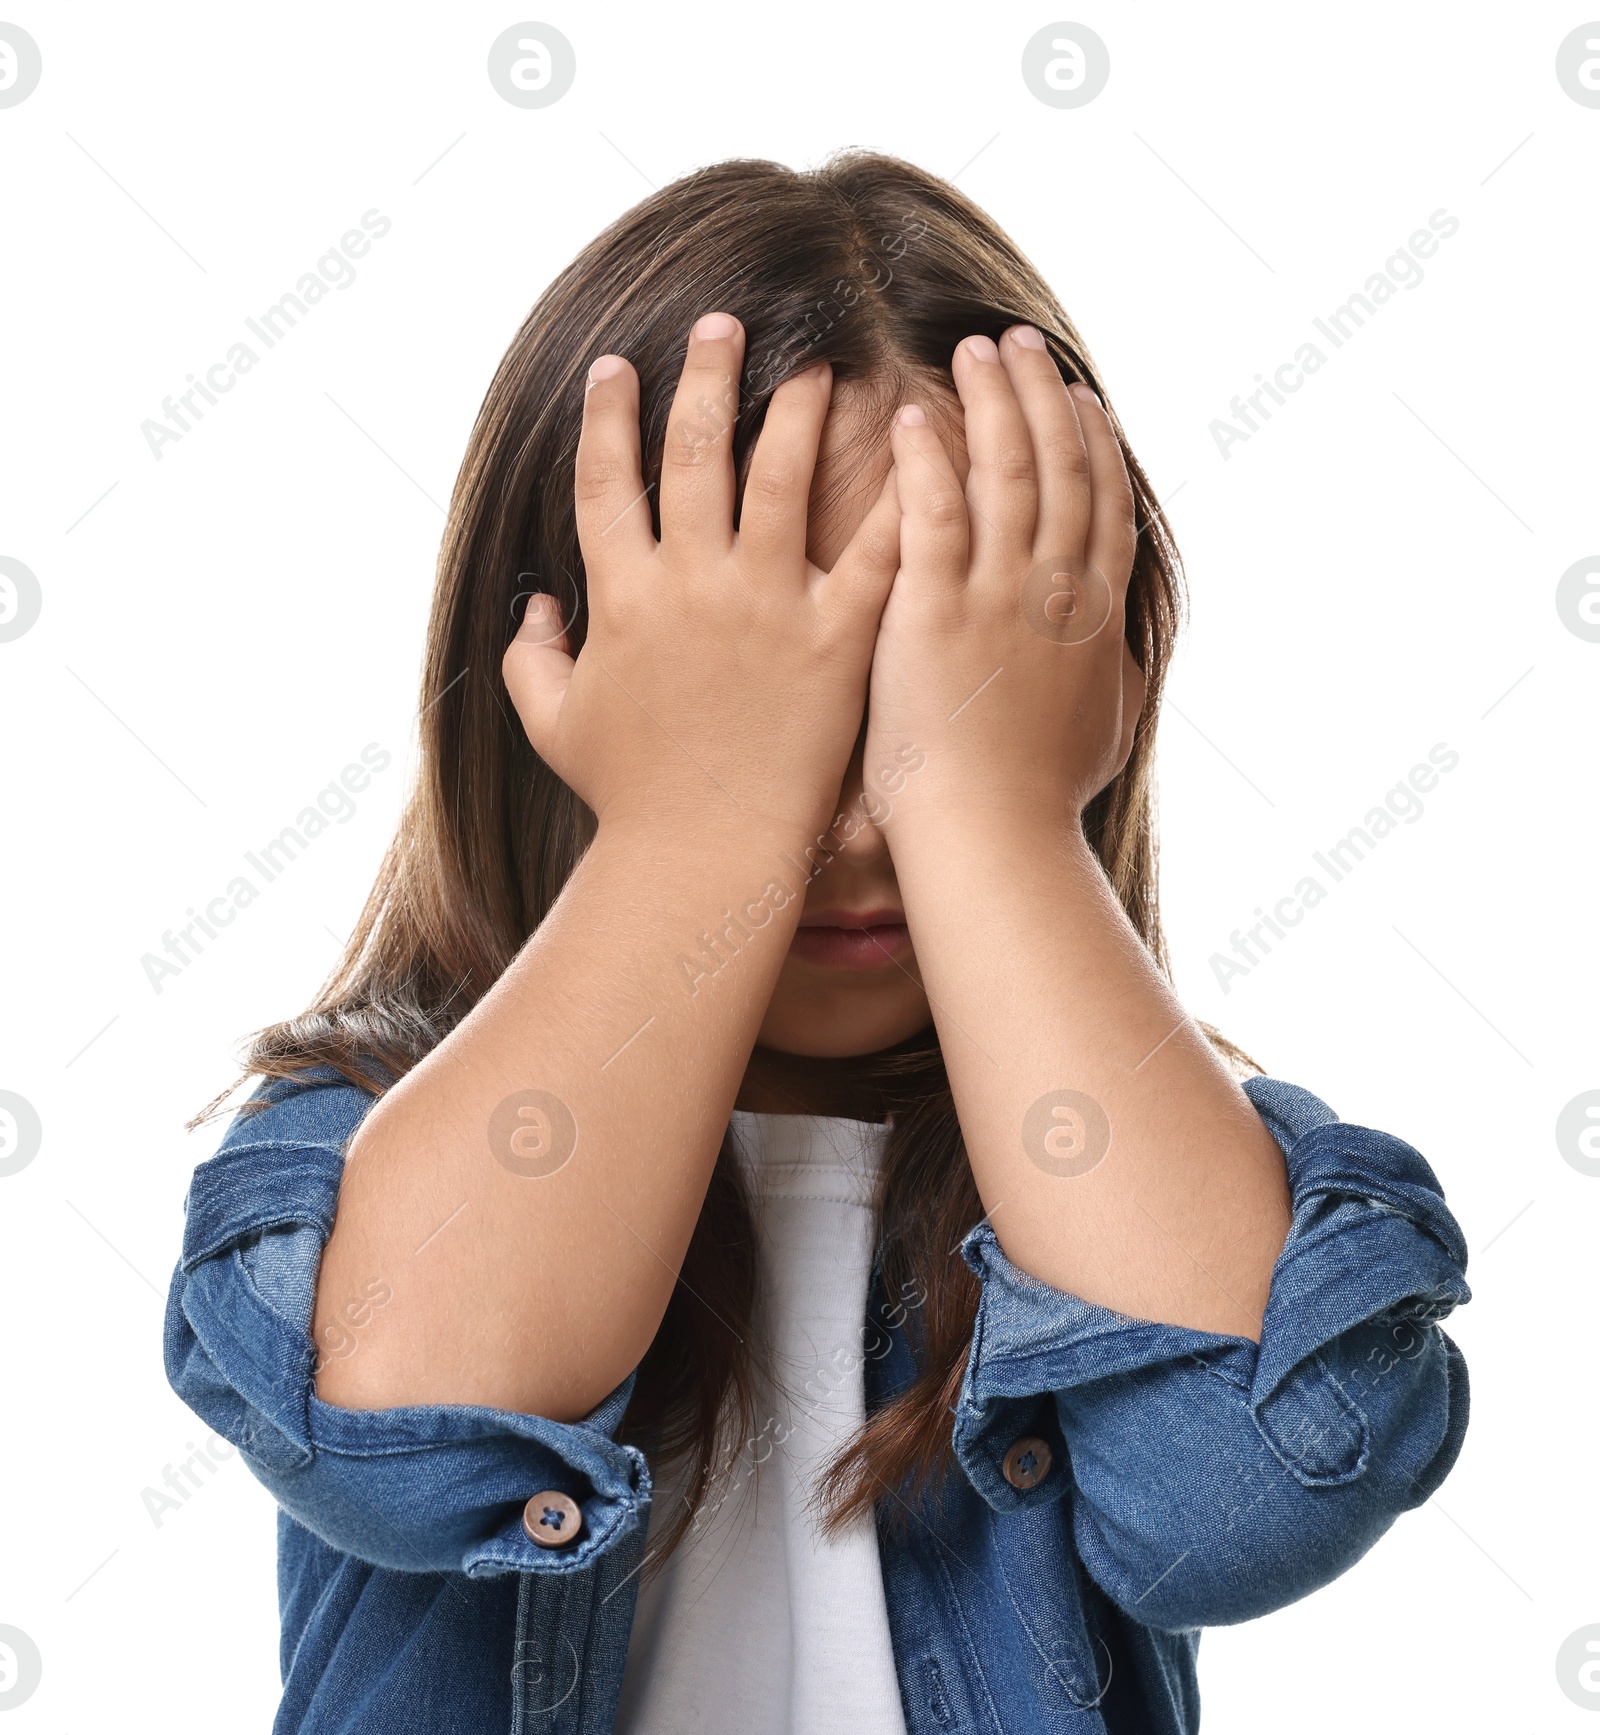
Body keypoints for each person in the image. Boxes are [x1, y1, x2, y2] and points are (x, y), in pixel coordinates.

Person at [164, 151, 1471, 1735]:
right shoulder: (366, 1145)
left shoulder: (1162, 1176)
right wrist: (696, 832)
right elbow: (415, 1425)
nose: (851, 820)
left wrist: (991, 815)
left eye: (921, 693)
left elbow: (1253, 1496)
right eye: (767, 709)